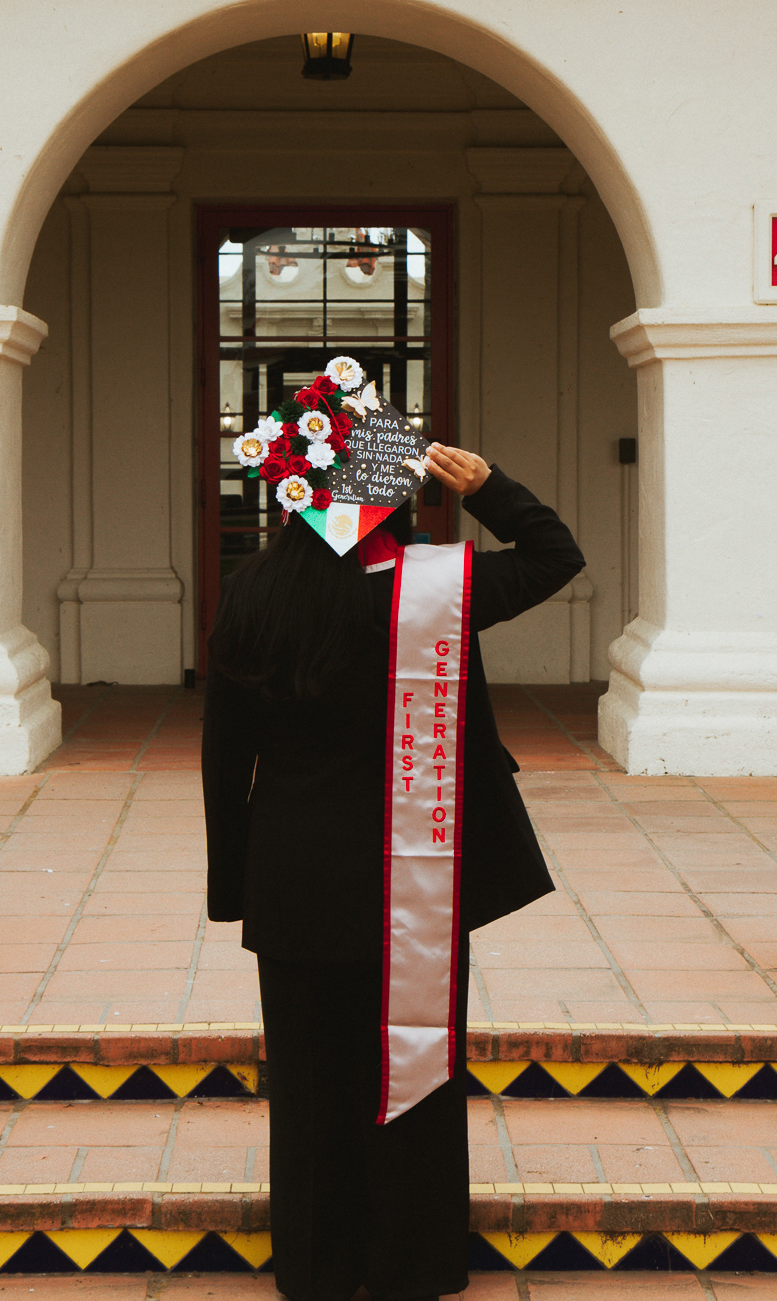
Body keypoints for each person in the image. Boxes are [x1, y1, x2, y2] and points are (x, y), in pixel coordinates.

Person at [202, 440, 585, 1301]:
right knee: (413, 1067)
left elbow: (225, 756)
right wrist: (489, 486)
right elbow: (556, 556)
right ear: (391, 500)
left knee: (309, 1078)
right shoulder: (437, 587)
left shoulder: (253, 590)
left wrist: (233, 887)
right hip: (413, 871)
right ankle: (413, 1262)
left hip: (294, 873)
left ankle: (316, 1266)